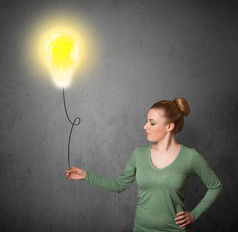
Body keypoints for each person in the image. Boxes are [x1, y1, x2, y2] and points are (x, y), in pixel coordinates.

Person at [65, 97, 223, 232]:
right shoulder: (138, 154)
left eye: (152, 123)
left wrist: (194, 215)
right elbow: (118, 185)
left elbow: (215, 186)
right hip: (142, 229)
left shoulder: (190, 157)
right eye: (146, 121)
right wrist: (85, 175)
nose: (145, 126)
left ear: (169, 126)